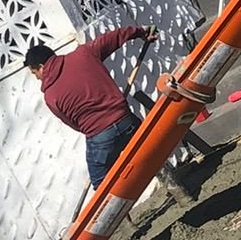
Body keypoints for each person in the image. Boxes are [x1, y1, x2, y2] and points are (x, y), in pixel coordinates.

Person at [26, 24, 157, 187]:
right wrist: (141, 32)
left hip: (99, 136)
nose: (37, 78)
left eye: (35, 73)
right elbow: (114, 37)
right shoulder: (84, 53)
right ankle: (172, 182)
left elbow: (74, 124)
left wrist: (99, 128)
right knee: (150, 152)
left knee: (101, 184)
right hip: (126, 121)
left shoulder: (50, 97)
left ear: (41, 67)